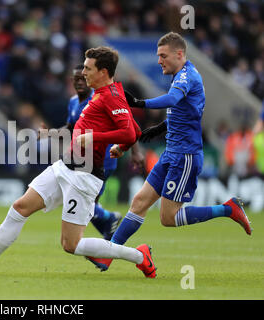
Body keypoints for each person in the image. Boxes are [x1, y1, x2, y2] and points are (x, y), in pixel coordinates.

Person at [0, 46, 157, 278]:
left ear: (103, 71)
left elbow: (130, 133)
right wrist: (120, 146)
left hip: (85, 174)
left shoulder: (111, 96)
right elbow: (133, 128)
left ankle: (140, 256)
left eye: (88, 68)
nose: (83, 73)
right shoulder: (102, 94)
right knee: (20, 207)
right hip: (65, 166)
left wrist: (97, 138)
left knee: (71, 244)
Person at [87, 32, 252, 272]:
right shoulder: (180, 76)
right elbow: (183, 112)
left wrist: (139, 103)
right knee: (139, 202)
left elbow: (173, 99)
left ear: (179, 54)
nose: (158, 61)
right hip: (171, 152)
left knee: (168, 218)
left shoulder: (187, 76)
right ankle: (109, 254)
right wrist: (157, 129)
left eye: (163, 56)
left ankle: (228, 209)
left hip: (185, 156)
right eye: (157, 56)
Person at [39, 64, 144, 240]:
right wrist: (50, 133)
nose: (79, 82)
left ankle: (105, 227)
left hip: (103, 160)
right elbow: (71, 127)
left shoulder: (102, 99)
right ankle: (107, 229)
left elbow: (129, 124)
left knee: (84, 203)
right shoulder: (73, 102)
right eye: (76, 79)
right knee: (82, 202)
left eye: (82, 77)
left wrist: (135, 152)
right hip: (80, 161)